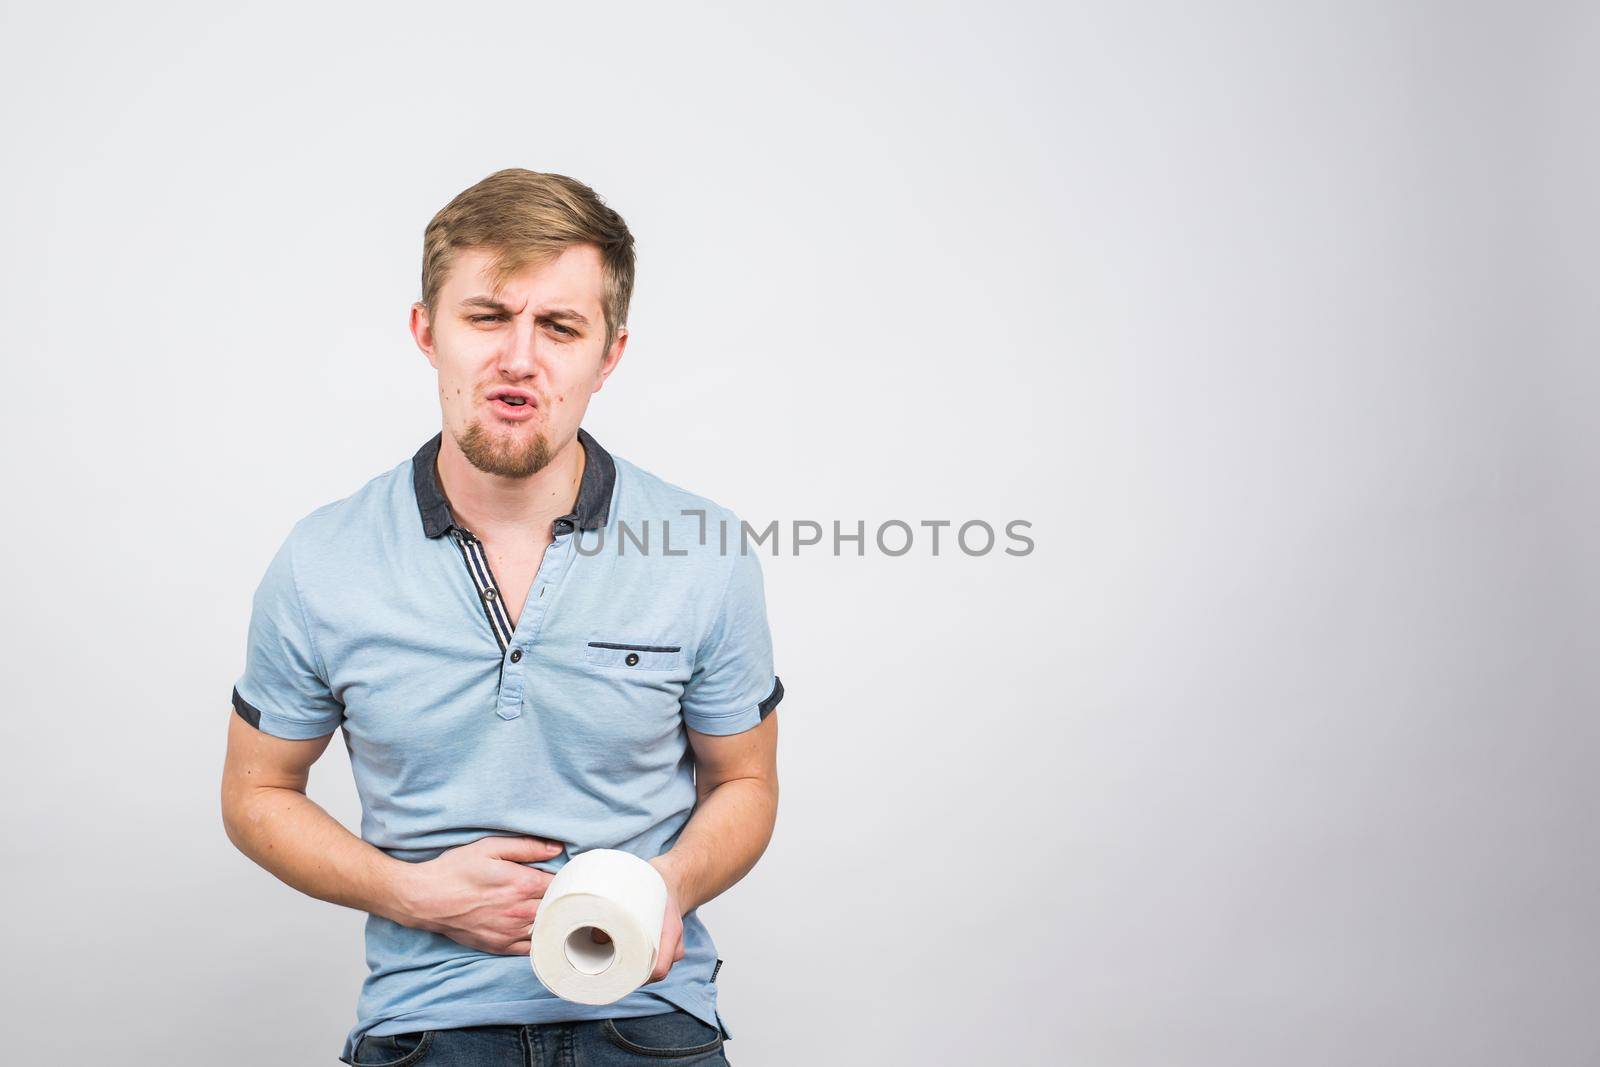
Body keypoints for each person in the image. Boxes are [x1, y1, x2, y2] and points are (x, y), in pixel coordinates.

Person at [220, 169, 784, 1066]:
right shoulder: (321, 559)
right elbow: (254, 794)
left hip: (650, 1020)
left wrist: (663, 886)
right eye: (487, 316)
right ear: (425, 331)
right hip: (423, 1028)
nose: (519, 357)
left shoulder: (704, 548)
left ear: (610, 354)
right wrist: (412, 893)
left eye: (559, 326)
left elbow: (746, 782)